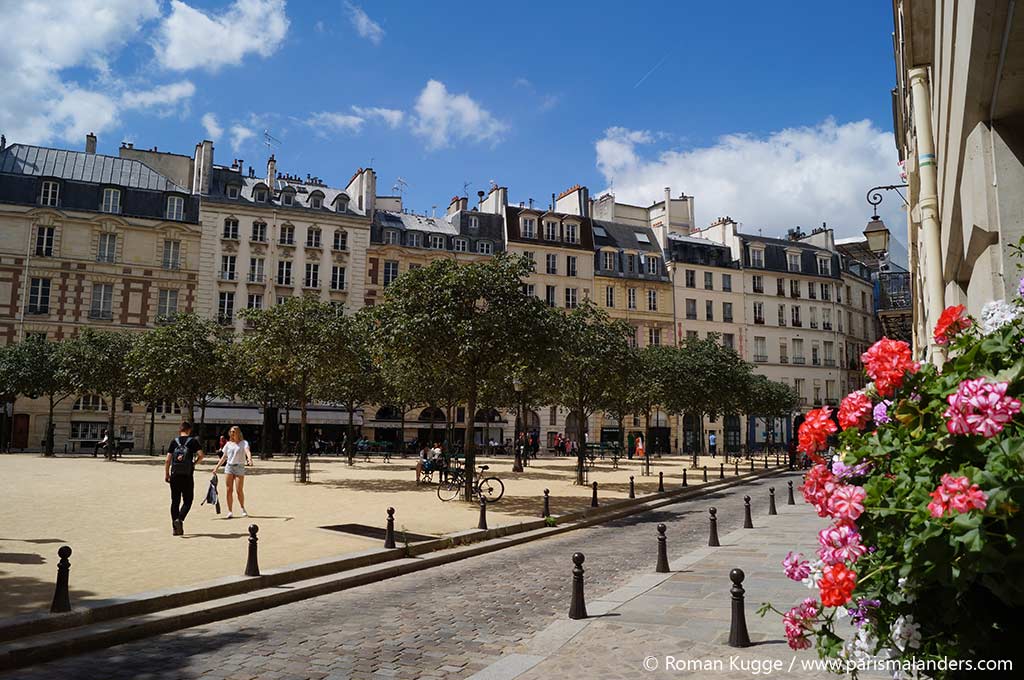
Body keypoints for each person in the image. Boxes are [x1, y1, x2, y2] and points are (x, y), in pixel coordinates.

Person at [164, 421, 204, 536]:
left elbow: (167, 460)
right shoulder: (193, 441)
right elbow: (201, 455)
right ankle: (180, 519)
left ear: (180, 430)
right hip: (187, 475)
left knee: (175, 501)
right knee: (188, 500)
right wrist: (194, 463)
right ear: (189, 430)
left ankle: (175, 528)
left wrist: (167, 474)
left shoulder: (174, 442)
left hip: (175, 474)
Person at [214, 426, 253, 518]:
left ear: (238, 432)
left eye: (234, 431)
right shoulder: (228, 444)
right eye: (231, 431)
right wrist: (216, 467)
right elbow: (224, 457)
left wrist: (249, 459)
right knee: (229, 490)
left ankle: (243, 508)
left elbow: (247, 451)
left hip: (239, 467)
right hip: (229, 467)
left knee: (239, 490)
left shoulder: (244, 443)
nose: (232, 433)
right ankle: (230, 511)